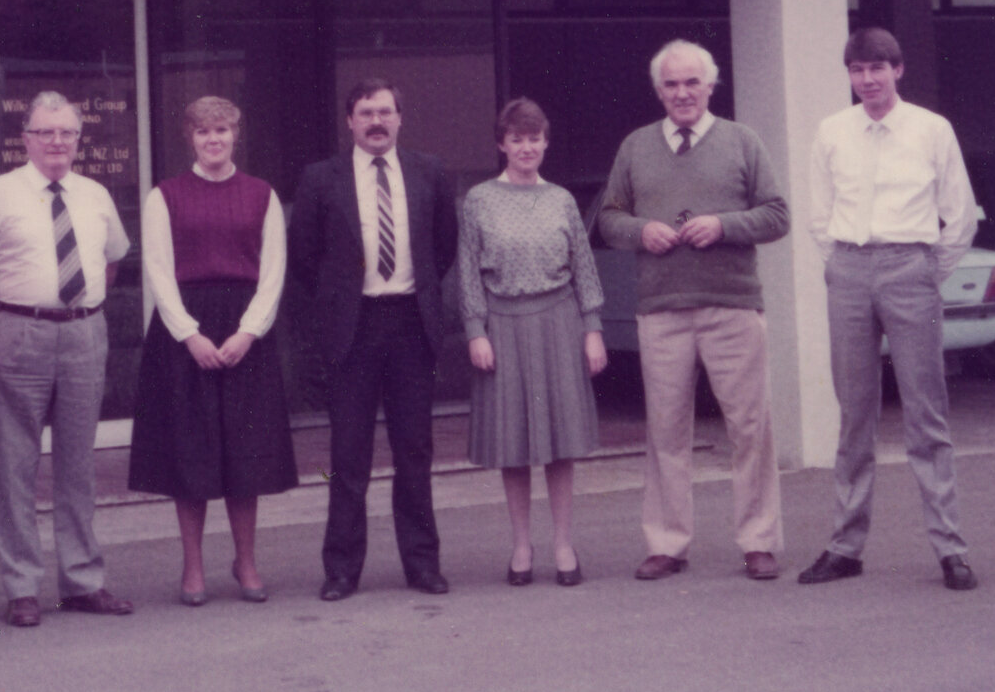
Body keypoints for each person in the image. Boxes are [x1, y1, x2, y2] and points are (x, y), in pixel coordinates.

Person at [598, 41, 790, 583]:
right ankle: (667, 543)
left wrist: (723, 225)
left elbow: (778, 215)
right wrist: (641, 231)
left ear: (711, 85)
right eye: (671, 84)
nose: (682, 93)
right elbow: (609, 218)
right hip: (662, 310)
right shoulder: (635, 147)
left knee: (750, 426)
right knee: (665, 430)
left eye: (691, 83)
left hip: (732, 304)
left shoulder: (742, 142)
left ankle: (758, 541)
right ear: (659, 90)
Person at [801, 28, 981, 591]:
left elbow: (960, 213)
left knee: (927, 414)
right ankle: (845, 547)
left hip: (911, 270)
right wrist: (843, 265)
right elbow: (819, 213)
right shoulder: (832, 131)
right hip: (850, 269)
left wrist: (927, 271)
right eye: (857, 70)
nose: (868, 80)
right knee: (854, 415)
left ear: (897, 70)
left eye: (878, 68)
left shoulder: (932, 129)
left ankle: (950, 548)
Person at [288, 78, 459, 601]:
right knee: (348, 454)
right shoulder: (321, 179)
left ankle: (422, 565)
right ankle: (341, 569)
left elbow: (443, 247)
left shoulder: (430, 172)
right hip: (353, 329)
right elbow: (304, 257)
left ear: (400, 118)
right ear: (350, 121)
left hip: (411, 324)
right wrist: (341, 301)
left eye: (385, 111)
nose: (376, 121)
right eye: (366, 113)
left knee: (414, 450)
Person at [127, 96, 299, 604]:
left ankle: (246, 563)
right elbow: (158, 270)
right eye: (204, 132)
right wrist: (190, 335)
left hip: (246, 331)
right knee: (191, 455)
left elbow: (273, 270)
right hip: (187, 333)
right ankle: (194, 568)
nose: (214, 139)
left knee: (245, 455)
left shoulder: (262, 194)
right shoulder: (165, 196)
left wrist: (249, 331)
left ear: (236, 134)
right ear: (190, 138)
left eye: (222, 130)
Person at [0, 91, 134, 627]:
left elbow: (110, 263)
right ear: (26, 138)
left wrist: (75, 306)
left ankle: (83, 581)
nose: (58, 141)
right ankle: (22, 587)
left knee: (78, 463)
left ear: (78, 139)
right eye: (46, 132)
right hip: (19, 331)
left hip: (84, 333)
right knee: (15, 464)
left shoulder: (94, 194)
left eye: (67, 132)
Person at [461, 98, 608, 586]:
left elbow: (584, 267)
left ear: (546, 142)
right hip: (503, 325)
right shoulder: (479, 200)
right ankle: (521, 545)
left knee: (560, 442)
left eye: (534, 138)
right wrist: (476, 332)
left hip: (559, 323)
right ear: (502, 144)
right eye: (516, 139)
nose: (526, 147)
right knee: (514, 442)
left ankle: (563, 544)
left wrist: (593, 331)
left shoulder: (562, 199)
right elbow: (467, 272)